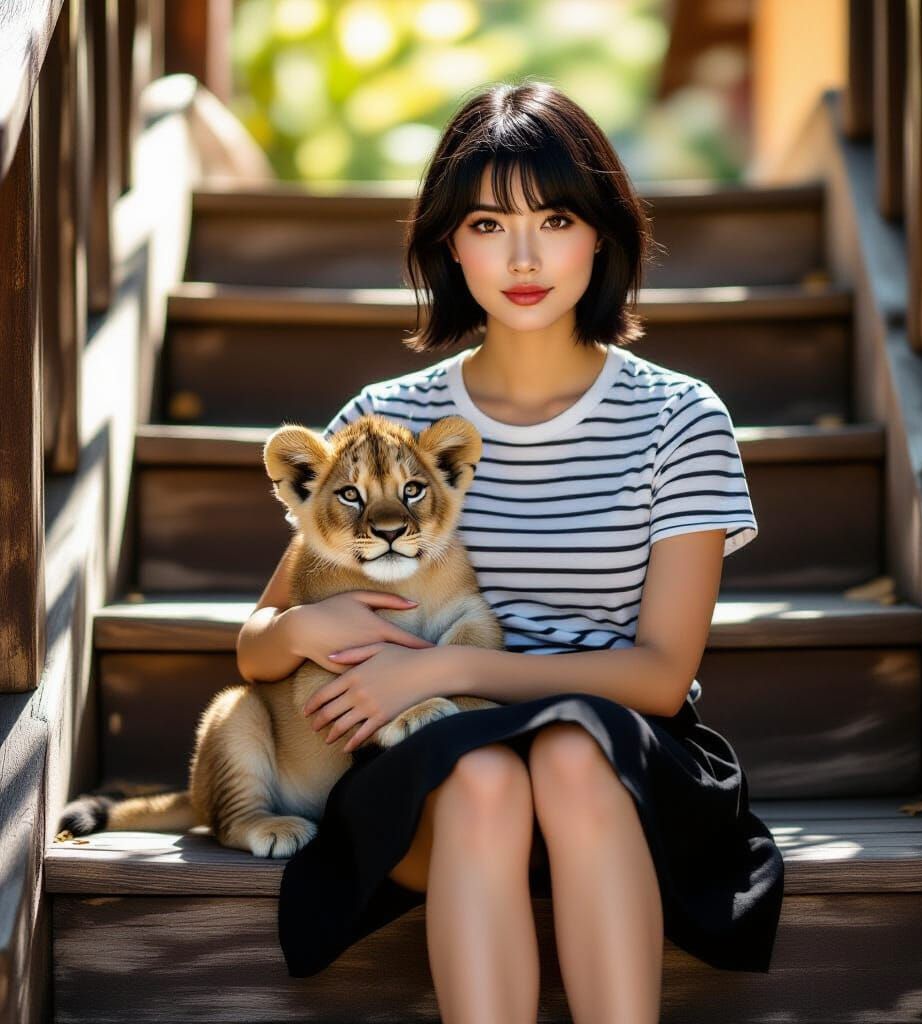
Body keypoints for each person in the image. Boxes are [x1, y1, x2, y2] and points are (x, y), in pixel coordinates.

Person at [236, 79, 784, 1023]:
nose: (523, 256)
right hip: (436, 768)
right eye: (488, 224)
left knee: (568, 754)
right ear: (450, 242)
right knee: (485, 772)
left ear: (601, 232)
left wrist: (439, 665)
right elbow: (256, 645)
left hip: (625, 767)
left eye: (556, 218)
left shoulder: (680, 418)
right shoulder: (386, 420)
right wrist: (306, 628)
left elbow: (659, 678)